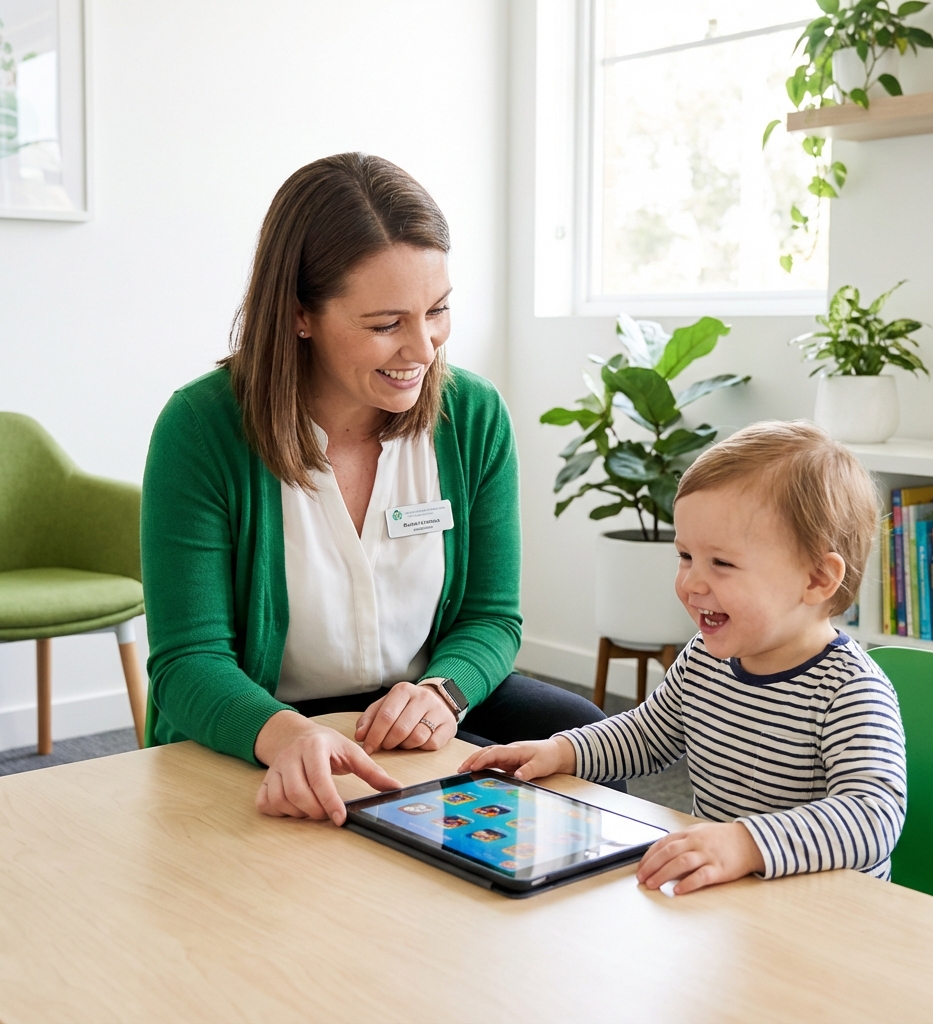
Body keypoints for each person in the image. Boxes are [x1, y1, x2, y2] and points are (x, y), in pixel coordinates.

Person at [141, 153, 608, 827]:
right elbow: (189, 662)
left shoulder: (472, 416)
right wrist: (287, 736)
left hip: (417, 698)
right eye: (386, 324)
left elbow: (492, 617)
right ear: (301, 315)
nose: (423, 348)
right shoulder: (202, 428)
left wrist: (444, 693)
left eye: (438, 311)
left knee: (578, 733)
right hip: (273, 713)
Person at [461, 421, 907, 895]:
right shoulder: (705, 659)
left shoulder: (850, 690)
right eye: (685, 556)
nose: (692, 583)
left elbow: (872, 816)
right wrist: (561, 750)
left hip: (823, 916)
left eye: (722, 563)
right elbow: (647, 735)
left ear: (817, 579)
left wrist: (745, 844)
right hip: (726, 899)